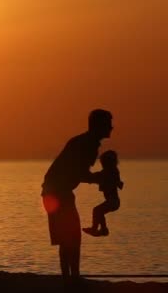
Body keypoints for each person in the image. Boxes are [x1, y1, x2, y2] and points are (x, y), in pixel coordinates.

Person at [41, 109, 113, 286]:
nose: (112, 127)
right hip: (56, 192)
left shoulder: (87, 143)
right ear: (99, 125)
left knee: (69, 237)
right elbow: (81, 174)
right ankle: (71, 279)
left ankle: (71, 277)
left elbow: (80, 174)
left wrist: (99, 177)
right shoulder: (87, 144)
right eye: (108, 123)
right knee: (69, 237)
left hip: (59, 191)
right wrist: (101, 177)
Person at [82, 150, 124, 237]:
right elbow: (95, 177)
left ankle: (97, 229)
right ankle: (103, 229)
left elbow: (94, 177)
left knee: (97, 211)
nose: (102, 164)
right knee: (98, 212)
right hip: (113, 202)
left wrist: (85, 174)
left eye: (103, 162)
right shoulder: (109, 172)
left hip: (113, 202)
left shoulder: (110, 171)